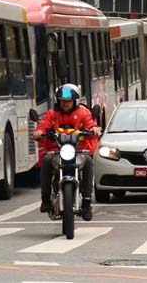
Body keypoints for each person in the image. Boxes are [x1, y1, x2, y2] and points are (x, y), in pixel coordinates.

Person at [33, 83, 102, 221]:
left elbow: (90, 123)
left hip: (78, 151)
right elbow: (43, 125)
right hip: (56, 152)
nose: (65, 104)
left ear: (74, 101)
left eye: (68, 101)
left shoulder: (83, 113)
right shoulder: (52, 114)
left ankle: (87, 202)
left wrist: (95, 129)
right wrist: (39, 132)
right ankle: (45, 199)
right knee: (46, 160)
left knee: (88, 160)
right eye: (62, 101)